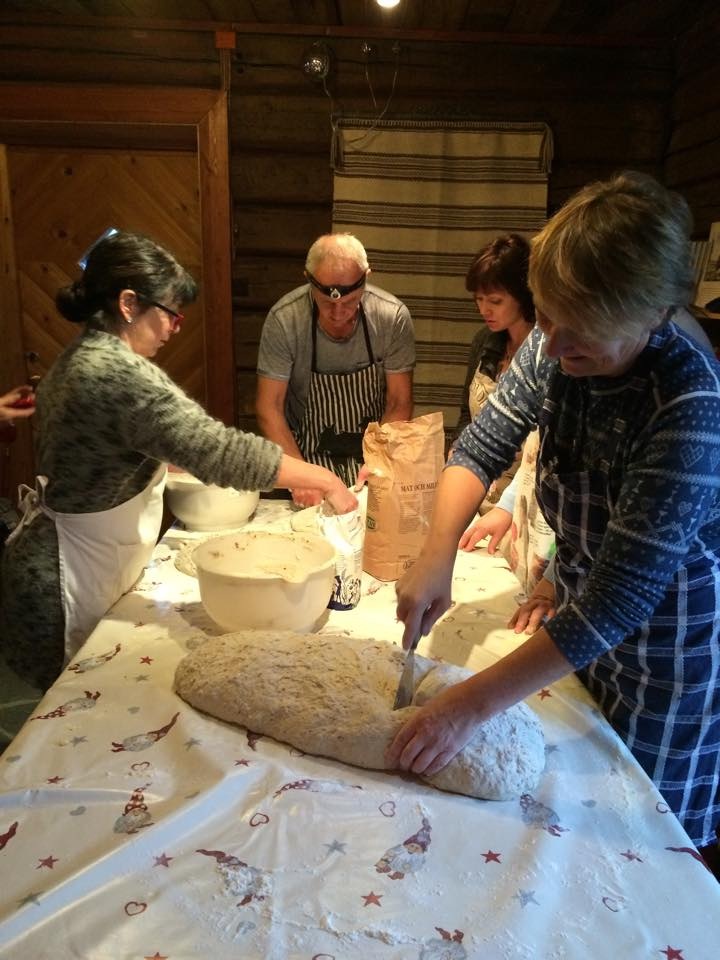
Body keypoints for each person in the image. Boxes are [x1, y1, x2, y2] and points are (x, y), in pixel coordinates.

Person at [390, 171, 720, 863]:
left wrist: (468, 704)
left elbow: (622, 596)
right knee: (553, 833)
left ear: (654, 315)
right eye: (545, 317)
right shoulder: (553, 341)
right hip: (574, 627)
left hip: (664, 658)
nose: (556, 345)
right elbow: (481, 445)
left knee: (635, 847)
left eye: (583, 333)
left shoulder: (688, 401)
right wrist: (436, 553)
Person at [0, 230, 357, 697]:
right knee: (67, 720)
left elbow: (110, 457)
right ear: (129, 304)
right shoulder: (113, 372)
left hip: (71, 562)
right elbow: (219, 451)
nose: (175, 327)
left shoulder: (84, 355)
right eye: (170, 312)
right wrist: (324, 479)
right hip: (62, 582)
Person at [256, 233, 415, 507]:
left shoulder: (391, 318)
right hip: (304, 456)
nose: (338, 312)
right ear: (308, 279)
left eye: (349, 301)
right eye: (327, 302)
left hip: (371, 457)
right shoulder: (285, 320)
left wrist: (377, 462)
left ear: (366, 277)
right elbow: (269, 407)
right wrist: (301, 477)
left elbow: (399, 401)